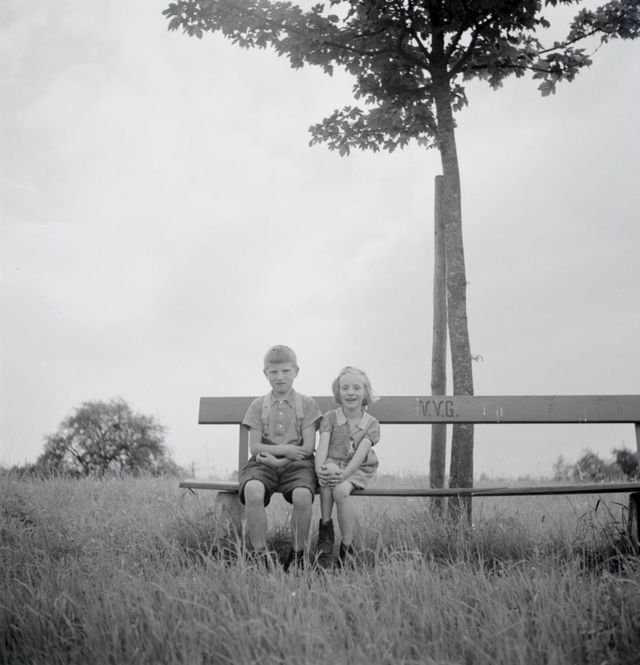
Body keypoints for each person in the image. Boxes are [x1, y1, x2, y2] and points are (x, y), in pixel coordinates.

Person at [239, 345, 322, 571]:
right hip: (264, 461)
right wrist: (283, 453)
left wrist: (283, 460)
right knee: (252, 490)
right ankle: (259, 555)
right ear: (265, 373)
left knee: (303, 495)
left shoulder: (307, 404)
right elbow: (255, 447)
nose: (280, 377)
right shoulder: (258, 405)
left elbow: (307, 448)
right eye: (273, 372)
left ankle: (297, 555)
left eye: (286, 371)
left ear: (296, 371)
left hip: (298, 463)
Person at [314, 366, 380, 567]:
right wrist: (320, 471)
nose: (351, 392)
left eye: (356, 388)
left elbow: (360, 456)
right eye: (345, 388)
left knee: (341, 491)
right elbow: (322, 447)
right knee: (327, 475)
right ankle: (325, 534)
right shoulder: (330, 418)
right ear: (338, 392)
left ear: (365, 392)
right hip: (333, 462)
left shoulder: (371, 423)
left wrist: (343, 476)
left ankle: (347, 547)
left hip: (358, 467)